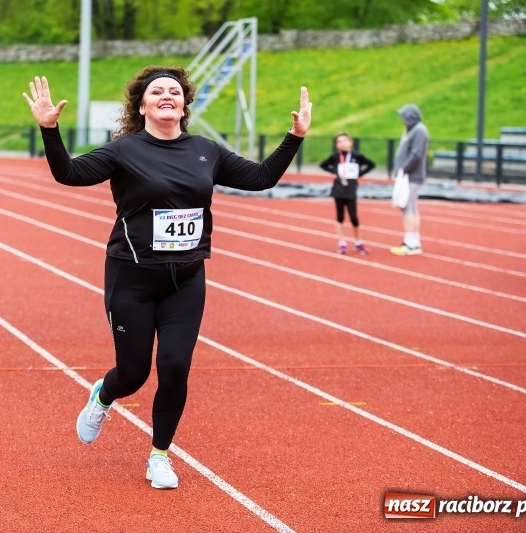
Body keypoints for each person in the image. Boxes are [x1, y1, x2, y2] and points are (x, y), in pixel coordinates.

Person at [22, 66, 311, 489]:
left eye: (174, 91)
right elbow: (69, 173)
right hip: (132, 278)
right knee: (134, 374)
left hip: (187, 279)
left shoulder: (206, 151)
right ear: (142, 105)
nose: (166, 96)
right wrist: (50, 131)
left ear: (183, 104)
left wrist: (296, 136)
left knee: (175, 367)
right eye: (157, 91)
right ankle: (104, 395)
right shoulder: (124, 151)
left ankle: (159, 456)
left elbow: (261, 178)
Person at [319, 132, 375, 255]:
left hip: (351, 189)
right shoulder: (335, 157)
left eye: (345, 140)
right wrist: (333, 171)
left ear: (350, 142)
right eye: (339, 141)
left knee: (354, 217)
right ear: (336, 145)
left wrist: (359, 174)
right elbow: (323, 165)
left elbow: (371, 165)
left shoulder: (357, 156)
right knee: (340, 217)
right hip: (338, 189)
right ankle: (342, 242)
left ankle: (358, 241)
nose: (343, 143)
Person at [390, 104, 429, 256]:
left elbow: (417, 154)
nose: (402, 120)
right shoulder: (412, 129)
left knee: (407, 206)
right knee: (410, 206)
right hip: (407, 175)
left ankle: (411, 243)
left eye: (404, 116)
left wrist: (403, 169)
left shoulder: (419, 130)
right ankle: (412, 241)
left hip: (411, 175)